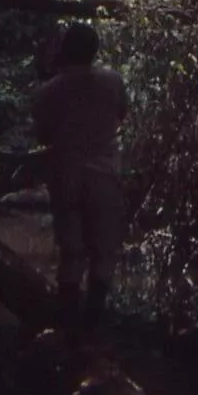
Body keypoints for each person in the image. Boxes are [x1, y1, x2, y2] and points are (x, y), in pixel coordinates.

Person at [30, 22, 128, 336]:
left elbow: (43, 134)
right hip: (103, 176)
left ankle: (69, 329)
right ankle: (94, 325)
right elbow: (121, 114)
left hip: (66, 176)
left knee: (72, 253)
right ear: (94, 49)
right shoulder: (113, 81)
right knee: (104, 252)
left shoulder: (47, 91)